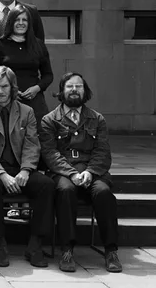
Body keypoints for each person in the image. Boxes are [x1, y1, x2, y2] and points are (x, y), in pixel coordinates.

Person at [39, 72, 122, 273]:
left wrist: (91, 172)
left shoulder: (97, 119)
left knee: (103, 193)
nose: (74, 90)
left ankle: (111, 250)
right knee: (65, 191)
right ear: (61, 91)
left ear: (85, 91)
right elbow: (50, 153)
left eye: (79, 86)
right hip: (63, 173)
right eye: (70, 86)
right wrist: (71, 173)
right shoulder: (49, 120)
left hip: (92, 173)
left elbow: (102, 151)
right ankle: (67, 250)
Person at [0, 66, 55, 268]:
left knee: (46, 184)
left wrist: (26, 171)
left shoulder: (27, 112)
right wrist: (2, 175)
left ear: (13, 88)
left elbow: (32, 144)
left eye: (4, 86)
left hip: (20, 169)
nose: (0, 91)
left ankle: (35, 244)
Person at [0, 5, 53, 129]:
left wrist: (37, 88)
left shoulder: (38, 44)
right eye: (17, 20)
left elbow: (48, 75)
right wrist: (11, 91)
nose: (21, 23)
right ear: (10, 22)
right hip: (7, 100)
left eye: (24, 20)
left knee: (38, 137)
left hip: (34, 100)